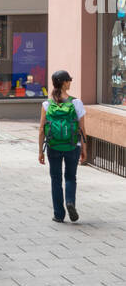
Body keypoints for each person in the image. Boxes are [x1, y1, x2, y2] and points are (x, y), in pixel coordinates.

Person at [39, 69, 88, 223]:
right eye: (69, 80)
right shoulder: (76, 102)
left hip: (53, 146)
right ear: (64, 82)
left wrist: (40, 151)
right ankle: (70, 202)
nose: (70, 82)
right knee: (70, 177)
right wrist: (84, 149)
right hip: (73, 145)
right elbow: (82, 129)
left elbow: (41, 129)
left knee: (55, 179)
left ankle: (59, 215)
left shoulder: (47, 104)